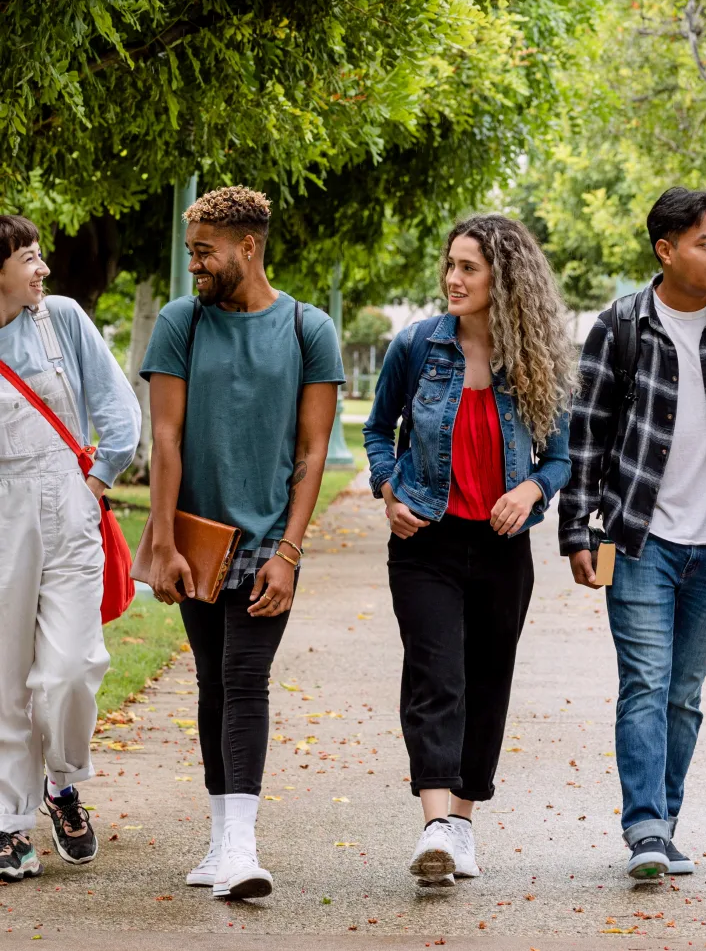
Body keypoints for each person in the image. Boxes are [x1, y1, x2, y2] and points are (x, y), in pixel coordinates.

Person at [560, 187, 706, 881]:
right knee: (645, 682)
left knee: (683, 692)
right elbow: (588, 435)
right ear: (666, 251)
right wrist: (578, 527)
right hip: (638, 540)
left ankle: (666, 820)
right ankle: (646, 829)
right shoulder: (620, 326)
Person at [141, 187, 344, 901]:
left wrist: (289, 552)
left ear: (247, 247)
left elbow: (314, 451)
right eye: (191, 250)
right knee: (212, 682)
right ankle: (222, 840)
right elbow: (164, 438)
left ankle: (239, 846)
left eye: (204, 251)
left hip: (266, 542)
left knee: (245, 680)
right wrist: (162, 542)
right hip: (197, 538)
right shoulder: (181, 323)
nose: (194, 263)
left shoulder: (306, 328)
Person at [364, 214, 573, 885]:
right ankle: (433, 828)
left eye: (469, 268)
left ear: (503, 279)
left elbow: (563, 457)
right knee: (435, 676)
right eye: (449, 265)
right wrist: (390, 488)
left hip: (503, 546)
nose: (453, 279)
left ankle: (461, 825)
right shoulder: (417, 347)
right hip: (426, 539)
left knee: (487, 683)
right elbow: (377, 431)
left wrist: (533, 490)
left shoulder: (537, 357)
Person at [0, 215, 140, 883]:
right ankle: (8, 823)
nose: (43, 268)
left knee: (72, 667)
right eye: (29, 257)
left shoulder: (61, 320)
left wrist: (93, 484)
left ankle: (60, 783)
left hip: (70, 509)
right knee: (4, 680)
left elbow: (118, 411)